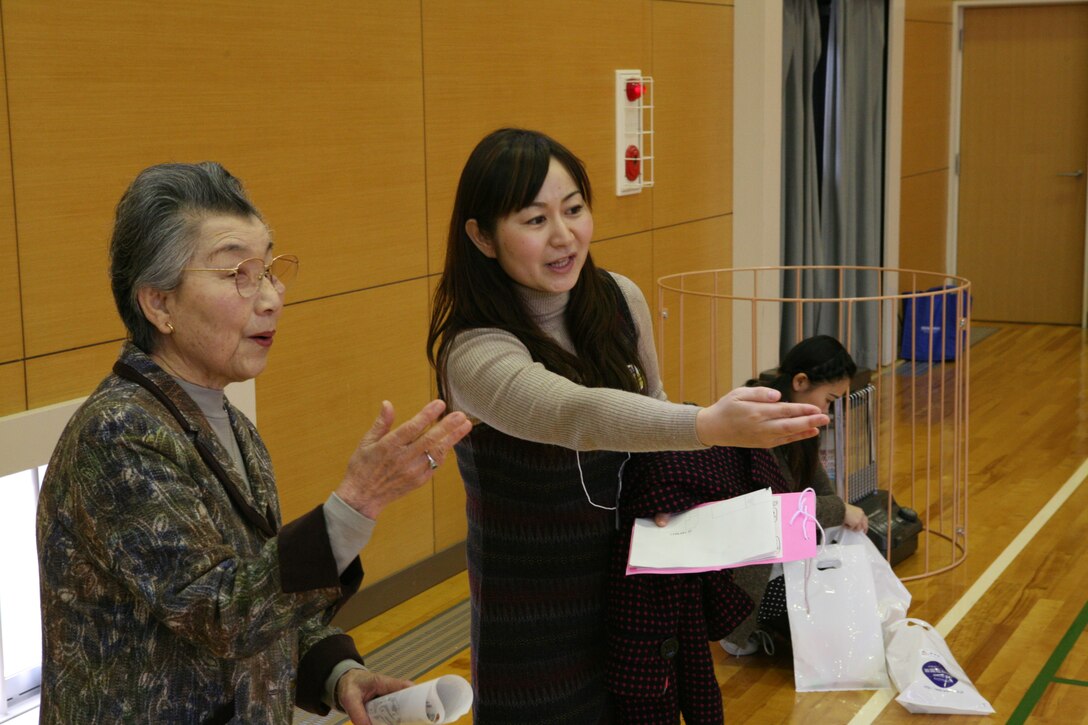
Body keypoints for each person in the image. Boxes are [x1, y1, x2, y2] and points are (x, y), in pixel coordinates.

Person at [36, 162, 472, 724]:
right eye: (237, 273)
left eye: (268, 268)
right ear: (159, 304)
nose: (270, 297)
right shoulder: (119, 435)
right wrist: (356, 505)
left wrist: (338, 674)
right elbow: (219, 614)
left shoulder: (229, 422)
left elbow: (262, 596)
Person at [426, 128, 828, 723]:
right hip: (535, 614)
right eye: (534, 220)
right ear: (482, 237)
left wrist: (672, 492)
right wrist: (708, 424)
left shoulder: (619, 298)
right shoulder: (471, 351)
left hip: (639, 582)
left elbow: (651, 415)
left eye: (574, 210)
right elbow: (574, 413)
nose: (564, 237)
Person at [720, 334, 869, 657]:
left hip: (784, 552)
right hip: (750, 566)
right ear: (801, 382)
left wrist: (840, 510)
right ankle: (743, 627)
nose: (829, 411)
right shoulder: (754, 426)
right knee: (828, 641)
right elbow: (772, 513)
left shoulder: (799, 424)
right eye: (829, 399)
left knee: (849, 619)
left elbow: (821, 492)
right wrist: (840, 509)